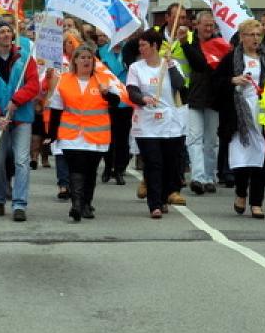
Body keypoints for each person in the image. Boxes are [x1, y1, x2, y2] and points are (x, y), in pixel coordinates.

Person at [45, 44, 121, 221]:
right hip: (71, 135)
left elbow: (116, 102)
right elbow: (56, 109)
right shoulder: (64, 79)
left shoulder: (104, 80)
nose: (86, 60)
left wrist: (106, 95)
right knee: (76, 168)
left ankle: (86, 203)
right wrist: (51, 134)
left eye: (89, 58)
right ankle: (76, 205)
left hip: (96, 136)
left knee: (90, 170)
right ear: (75, 61)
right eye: (83, 57)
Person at [0, 20, 41, 221]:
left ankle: (19, 203)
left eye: (8, 31)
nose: (6, 34)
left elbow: (33, 85)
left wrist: (16, 101)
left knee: (22, 161)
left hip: (21, 118)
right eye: (1, 32)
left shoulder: (25, 59)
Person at [214, 19, 265, 219]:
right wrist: (233, 81)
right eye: (251, 35)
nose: (255, 39)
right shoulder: (231, 59)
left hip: (263, 113)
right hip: (238, 115)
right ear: (242, 37)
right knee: (243, 159)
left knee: (260, 158)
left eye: (258, 35)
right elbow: (215, 83)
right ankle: (241, 193)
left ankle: (257, 202)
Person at [125, 30, 188, 218]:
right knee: (153, 163)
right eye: (140, 45)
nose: (141, 48)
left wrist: (169, 65)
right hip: (147, 123)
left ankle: (162, 196)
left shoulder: (171, 64)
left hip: (170, 123)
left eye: (144, 45)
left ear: (155, 46)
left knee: (170, 164)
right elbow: (131, 91)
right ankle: (154, 204)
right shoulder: (136, 68)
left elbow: (179, 84)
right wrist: (143, 98)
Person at [181, 12, 220, 195]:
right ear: (196, 25)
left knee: (211, 140)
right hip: (196, 96)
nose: (209, 29)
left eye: (211, 25)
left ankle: (210, 176)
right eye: (206, 25)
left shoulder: (220, 44)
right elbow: (198, 63)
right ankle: (198, 177)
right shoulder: (191, 44)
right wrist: (184, 44)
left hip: (213, 98)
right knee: (195, 138)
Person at [97, 32, 132, 185]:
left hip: (125, 100)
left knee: (122, 137)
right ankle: (107, 167)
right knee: (109, 136)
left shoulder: (129, 51)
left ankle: (119, 169)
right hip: (108, 98)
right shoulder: (101, 51)